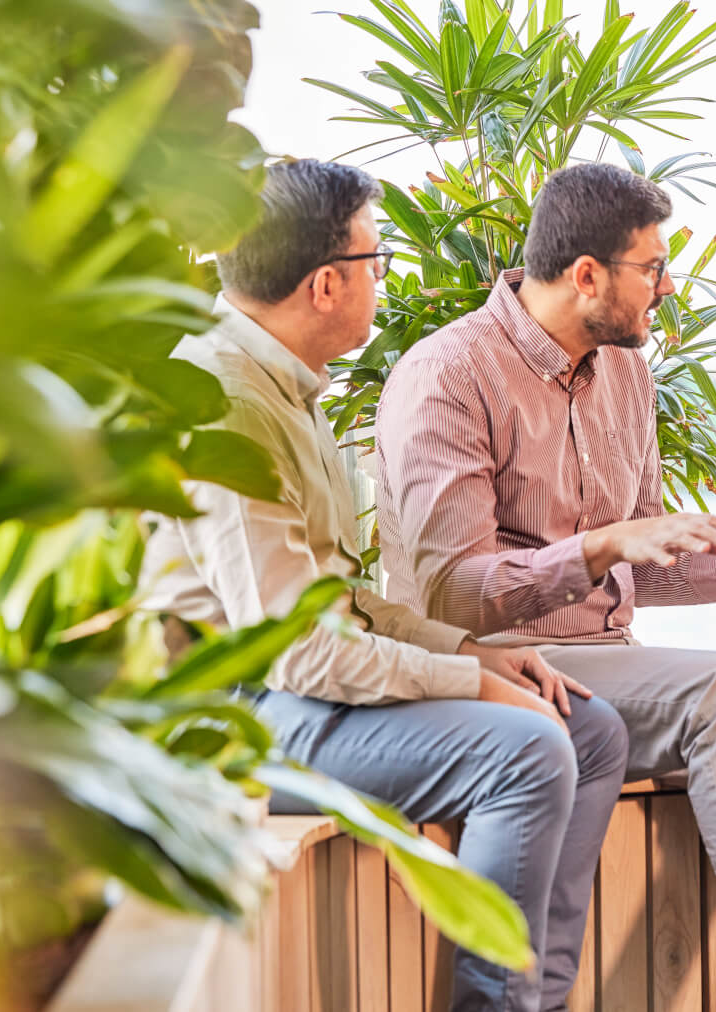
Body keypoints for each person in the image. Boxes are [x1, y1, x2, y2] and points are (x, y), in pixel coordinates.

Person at [374, 163, 716, 1012]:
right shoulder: (448, 375)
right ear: (587, 273)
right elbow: (448, 597)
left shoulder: (625, 375)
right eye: (651, 268)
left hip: (611, 668)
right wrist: (600, 543)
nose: (667, 287)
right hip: (505, 668)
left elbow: (635, 566)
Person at [138, 159, 630, 1012]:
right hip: (237, 718)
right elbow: (295, 652)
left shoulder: (288, 389)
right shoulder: (225, 401)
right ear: (327, 284)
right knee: (526, 749)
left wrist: (475, 653)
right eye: (378, 260)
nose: (384, 277)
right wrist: (471, 681)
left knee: (588, 729)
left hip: (293, 694)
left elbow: (345, 598)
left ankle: (535, 1002)